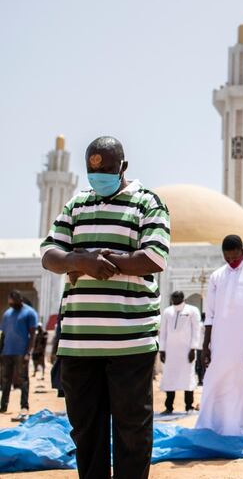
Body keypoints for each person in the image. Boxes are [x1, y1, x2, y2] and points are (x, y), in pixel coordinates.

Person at [41, 136, 170, 479]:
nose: (99, 177)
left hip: (130, 342)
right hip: (79, 345)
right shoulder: (77, 204)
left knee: (132, 433)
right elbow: (49, 253)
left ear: (123, 167)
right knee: (86, 434)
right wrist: (78, 259)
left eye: (107, 170)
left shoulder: (147, 203)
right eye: (92, 171)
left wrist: (103, 262)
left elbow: (154, 258)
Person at [195, 235, 243, 436]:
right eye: (227, 258)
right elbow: (210, 315)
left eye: (235, 257)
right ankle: (212, 427)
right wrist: (206, 346)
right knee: (216, 382)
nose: (231, 261)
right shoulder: (216, 277)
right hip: (220, 343)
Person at [158, 291, 202, 414]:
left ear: (183, 297)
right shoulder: (167, 312)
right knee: (169, 378)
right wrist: (162, 350)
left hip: (187, 351)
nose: (175, 299)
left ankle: (189, 406)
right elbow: (163, 331)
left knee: (187, 377)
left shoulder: (192, 310)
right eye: (173, 297)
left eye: (177, 296)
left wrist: (193, 348)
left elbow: (196, 330)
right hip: (170, 352)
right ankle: (169, 407)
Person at [0, 290, 38, 418]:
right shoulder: (7, 314)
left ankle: (24, 406)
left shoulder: (29, 313)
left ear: (20, 300)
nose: (11, 305)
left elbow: (33, 334)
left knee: (23, 380)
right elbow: (3, 334)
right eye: (10, 303)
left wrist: (29, 352)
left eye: (13, 302)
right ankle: (3, 405)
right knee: (5, 380)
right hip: (7, 352)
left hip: (21, 353)